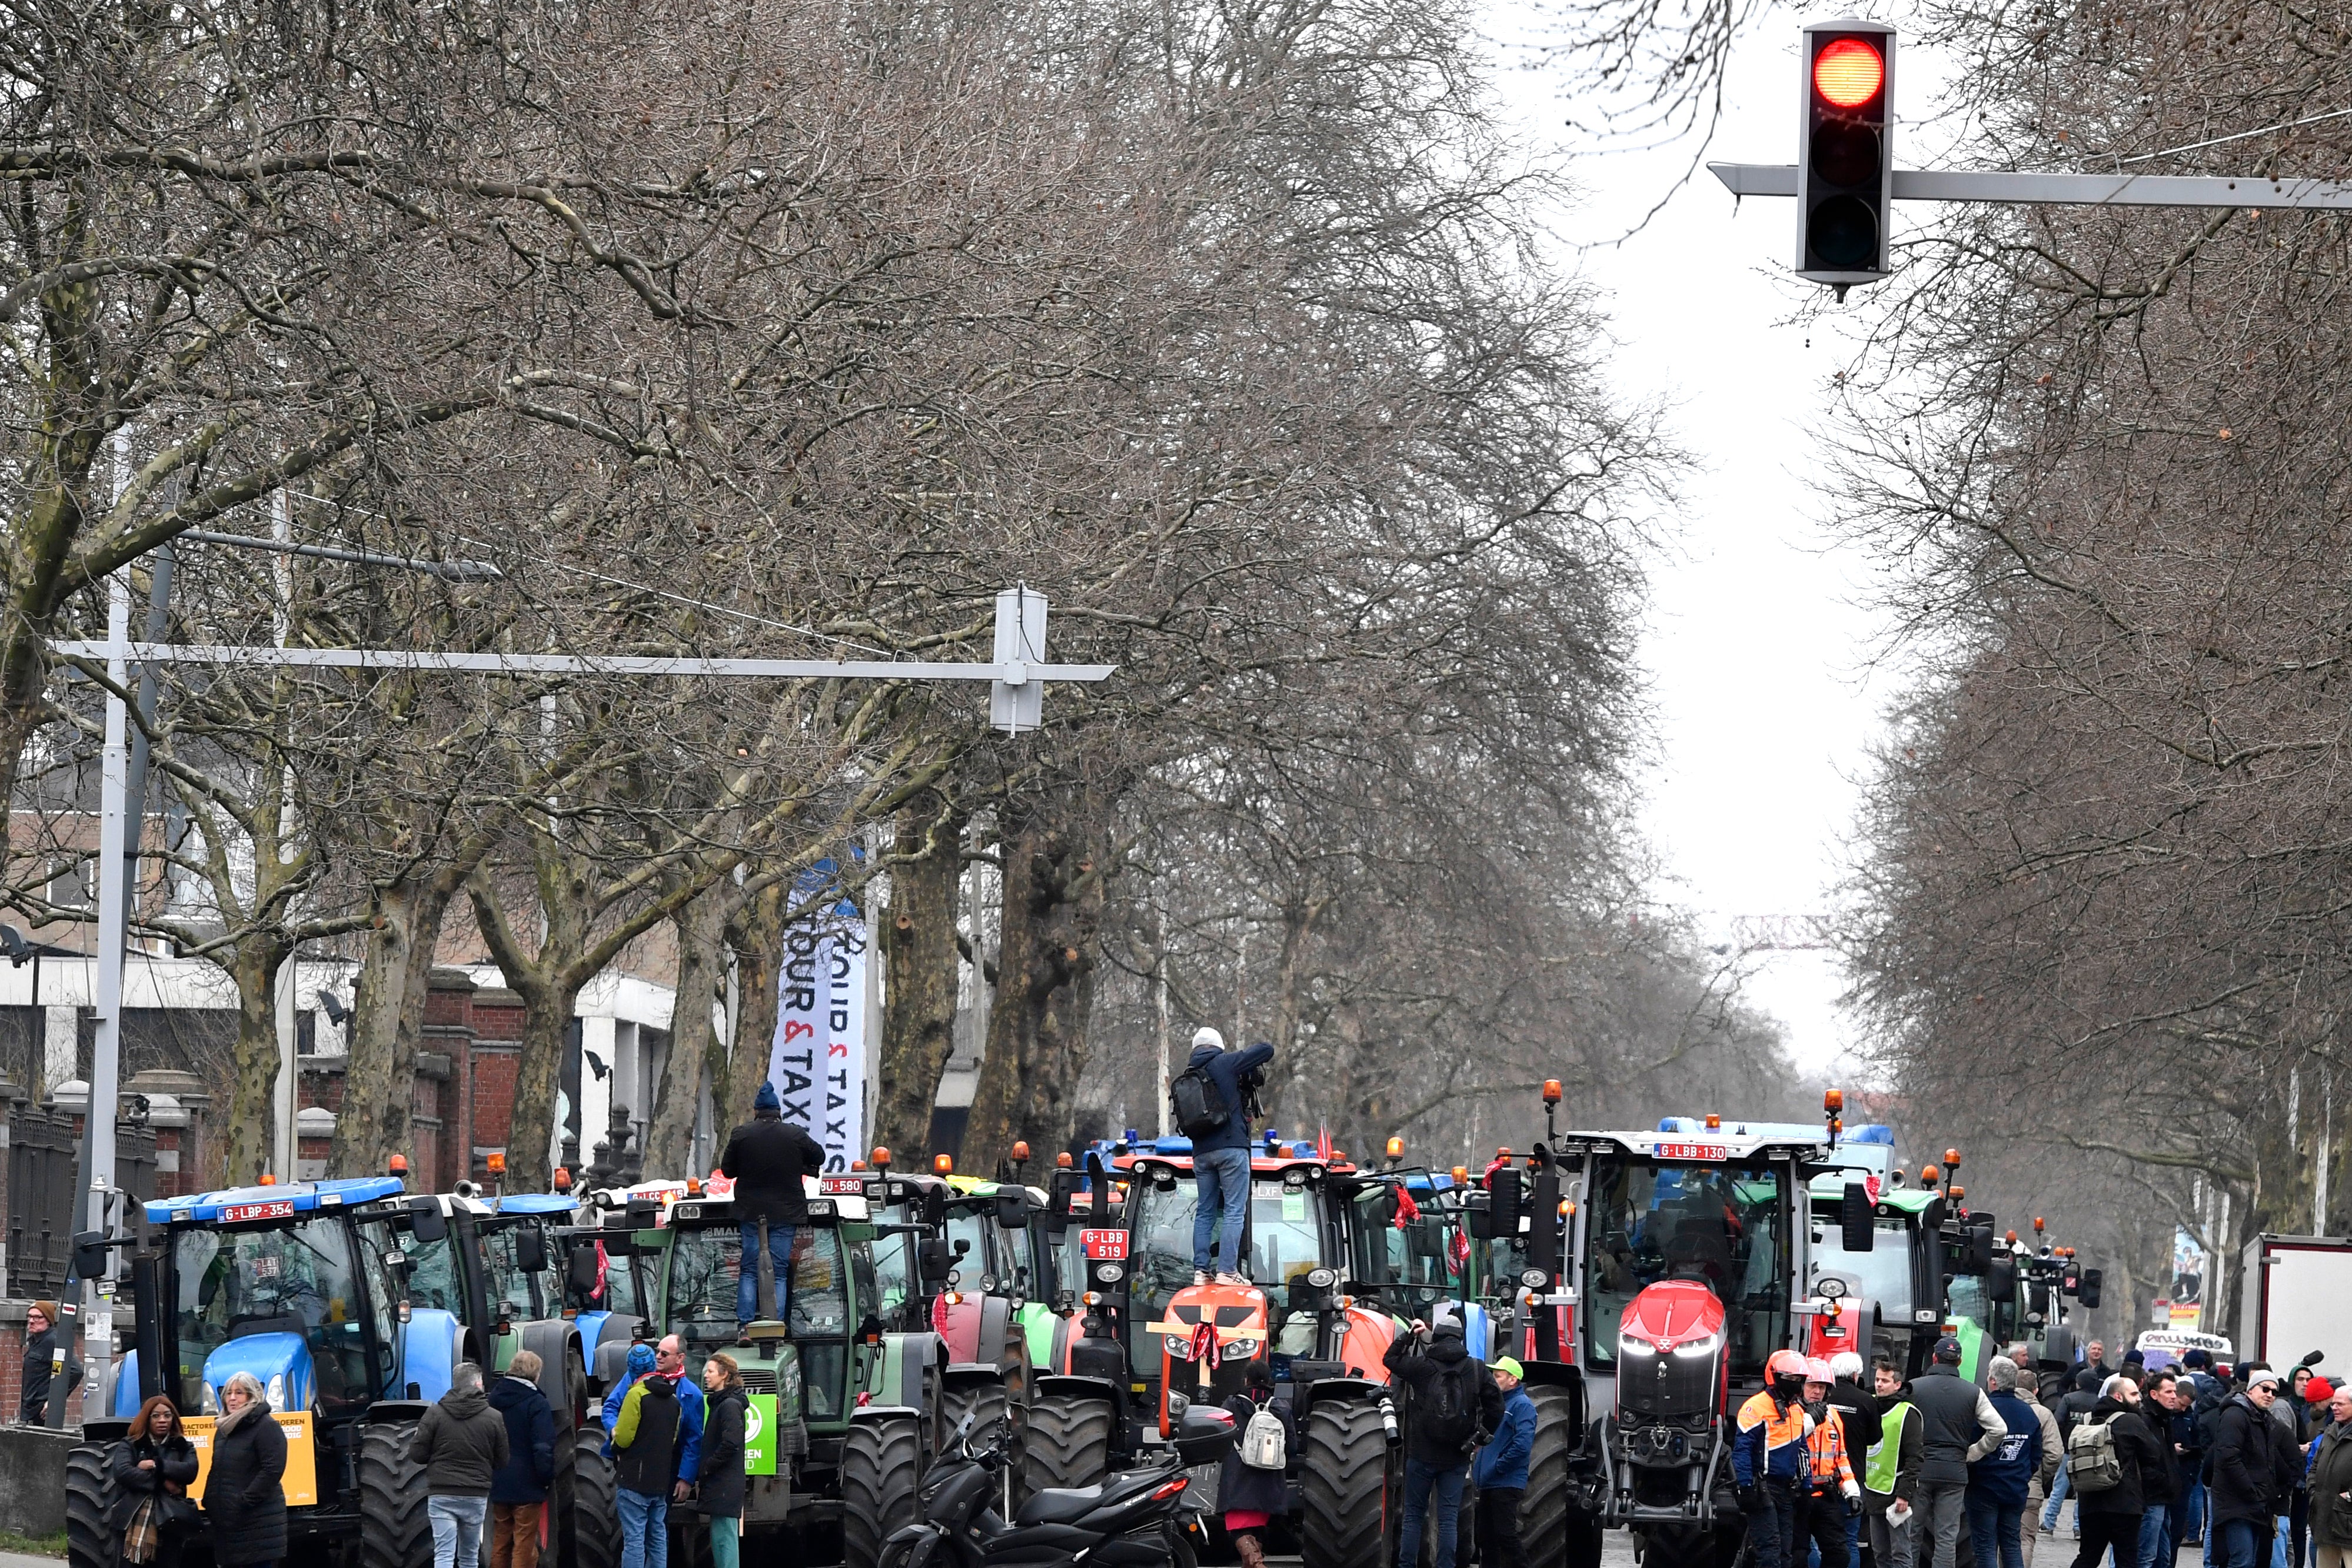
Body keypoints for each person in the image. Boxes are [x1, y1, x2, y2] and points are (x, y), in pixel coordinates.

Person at [1383, 1316, 1502, 1568]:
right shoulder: (1477, 1368)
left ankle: (1406, 1566)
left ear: (1435, 1337)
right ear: (1460, 1338)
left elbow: (1389, 1360)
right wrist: (1480, 1437)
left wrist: (1410, 1335)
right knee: (1448, 1518)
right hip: (1457, 1455)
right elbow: (1497, 1409)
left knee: (1413, 1515)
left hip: (1421, 1455)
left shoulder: (1422, 1367)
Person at [717, 1079, 824, 1324]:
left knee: (750, 1270)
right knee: (779, 1272)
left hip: (751, 1213)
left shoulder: (742, 1134)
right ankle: (774, 1326)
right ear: (779, 1113)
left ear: (756, 1112)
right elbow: (819, 1155)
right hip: (786, 1214)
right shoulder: (794, 1134)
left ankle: (745, 1326)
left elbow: (728, 1171)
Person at [1183, 1027, 1274, 1286]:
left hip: (1201, 1154)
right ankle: (1227, 1271)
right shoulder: (1225, 1062)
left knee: (1205, 1212)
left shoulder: (1189, 1074)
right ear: (1218, 1046)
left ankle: (1201, 1271)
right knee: (1235, 1211)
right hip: (1231, 1148)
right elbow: (1266, 1049)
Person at [1914, 1336, 2011, 1568]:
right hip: (1954, 1472)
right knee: (1947, 1536)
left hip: (1919, 1470)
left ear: (1934, 1358)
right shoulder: (1974, 1392)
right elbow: (1999, 1429)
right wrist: (1973, 1453)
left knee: (1911, 1531)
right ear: (1960, 1362)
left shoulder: (1914, 1387)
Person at [410, 1362, 510, 1568]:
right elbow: (502, 1461)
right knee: (469, 1557)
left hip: (442, 1494)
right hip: (475, 1495)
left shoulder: (435, 1414)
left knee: (444, 1554)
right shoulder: (494, 1417)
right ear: (478, 1383)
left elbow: (417, 1454)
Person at [2067, 1374, 2162, 1568]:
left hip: (2089, 1500)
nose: (2139, 1398)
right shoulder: (2131, 1421)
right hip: (2124, 1503)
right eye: (2134, 1394)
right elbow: (2154, 1454)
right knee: (2126, 1559)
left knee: (2087, 1557)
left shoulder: (2087, 1419)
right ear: (2118, 1397)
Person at [1738, 1350, 1819, 1568]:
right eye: (1791, 1379)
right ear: (1775, 1376)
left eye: (1799, 1380)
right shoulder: (1755, 1407)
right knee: (1770, 1552)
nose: (1796, 1384)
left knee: (1786, 1553)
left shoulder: (1796, 1411)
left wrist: (1806, 1487)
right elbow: (1742, 1450)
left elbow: (1802, 1449)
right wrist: (1745, 1487)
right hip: (1763, 1488)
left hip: (1786, 1490)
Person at [2212, 1370, 2301, 1568]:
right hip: (2237, 1503)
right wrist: (2253, 1491)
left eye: (2274, 1392)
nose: (2270, 1394)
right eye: (2265, 1389)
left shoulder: (2263, 1420)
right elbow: (2229, 1458)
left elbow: (2273, 1462)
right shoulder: (2235, 1415)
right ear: (2251, 1390)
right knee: (2241, 1561)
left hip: (2256, 1504)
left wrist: (2275, 1491)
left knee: (2251, 1561)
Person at [202, 1371, 287, 1568]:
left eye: (239, 1393)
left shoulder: (266, 1426)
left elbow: (272, 1470)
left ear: (252, 1396)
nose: (232, 1398)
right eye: (228, 1393)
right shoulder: (224, 1430)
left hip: (255, 1524)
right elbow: (218, 1471)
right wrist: (211, 1501)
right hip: (229, 1526)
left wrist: (244, 1501)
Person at [1970, 1359, 2045, 1568]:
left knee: (1985, 1547)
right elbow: (2037, 1453)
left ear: (1993, 1381)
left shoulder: (1984, 1410)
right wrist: (2022, 1475)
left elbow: (1971, 1444)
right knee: (2012, 1545)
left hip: (1984, 1488)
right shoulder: (2028, 1412)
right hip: (2016, 1489)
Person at [111, 1395, 198, 1568]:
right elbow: (123, 1473)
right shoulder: (131, 1445)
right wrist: (164, 1483)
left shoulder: (183, 1446)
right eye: (156, 1416)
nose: (162, 1420)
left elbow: (190, 1471)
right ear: (147, 1418)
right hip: (133, 1522)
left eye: (167, 1415)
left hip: (171, 1523)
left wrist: (156, 1465)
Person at [1221, 1364, 1294, 1568]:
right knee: (1257, 1531)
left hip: (1239, 1478)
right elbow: (1292, 1447)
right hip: (1270, 1481)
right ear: (1270, 1380)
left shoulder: (1232, 1404)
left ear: (1246, 1379)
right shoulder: (1281, 1406)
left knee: (1238, 1529)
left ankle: (1259, 1565)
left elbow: (1221, 1437)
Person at [488, 1351, 556, 1568]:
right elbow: (543, 1447)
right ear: (535, 1374)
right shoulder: (537, 1403)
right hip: (528, 1483)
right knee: (524, 1544)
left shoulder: (493, 1400)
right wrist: (546, 1477)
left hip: (498, 1480)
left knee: (501, 1541)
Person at [1798, 1359, 1861, 1568]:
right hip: (1796, 1496)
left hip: (1826, 1495)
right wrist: (1808, 1423)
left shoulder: (1833, 1416)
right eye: (1812, 1386)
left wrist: (1852, 1492)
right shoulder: (1789, 1413)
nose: (1817, 1391)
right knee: (1797, 1556)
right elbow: (1781, 1446)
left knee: (1839, 1554)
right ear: (1801, 1386)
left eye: (1822, 1387)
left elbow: (1841, 1458)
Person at [1474, 1358, 1536, 1568]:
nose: (1493, 1379)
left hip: (1505, 1482)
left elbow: (1522, 1445)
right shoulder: (1499, 1405)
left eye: (1498, 1376)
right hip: (1490, 1481)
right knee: (1485, 1537)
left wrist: (1498, 1467)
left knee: (1505, 1536)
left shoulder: (1522, 1406)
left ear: (1513, 1380)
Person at [698, 1354, 747, 1568]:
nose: (706, 1376)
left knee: (725, 1539)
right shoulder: (721, 1404)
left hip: (725, 1483)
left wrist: (708, 1466)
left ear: (724, 1374)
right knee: (720, 1538)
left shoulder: (729, 1405)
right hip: (722, 1484)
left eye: (710, 1371)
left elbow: (731, 1443)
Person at [2012, 1366, 2064, 1568]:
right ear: (2035, 1390)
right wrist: (2041, 1475)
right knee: (2025, 1540)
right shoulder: (2043, 1414)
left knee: (1999, 1539)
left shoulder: (1998, 1408)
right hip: (2030, 1488)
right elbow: (2055, 1453)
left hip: (1999, 1484)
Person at [2046, 1368, 2105, 1539]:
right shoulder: (2099, 1402)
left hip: (2069, 1448)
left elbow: (2058, 1421)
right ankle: (2079, 1527)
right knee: (2084, 1490)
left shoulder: (2069, 1399)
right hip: (2090, 1452)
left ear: (2078, 1382)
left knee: (2060, 1487)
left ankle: (2049, 1523)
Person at [2136, 1371, 2184, 1568]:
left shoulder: (2165, 1419)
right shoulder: (2146, 1419)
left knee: (2163, 1558)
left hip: (2165, 1497)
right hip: (2152, 1497)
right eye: (2169, 1392)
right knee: (2146, 1557)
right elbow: (2145, 1460)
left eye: (2175, 1391)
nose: (2174, 1396)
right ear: (2155, 1395)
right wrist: (2162, 1480)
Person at [2306, 1382, 2352, 1568]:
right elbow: (2315, 1466)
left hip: (2348, 1523)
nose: (2334, 1408)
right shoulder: (2331, 1431)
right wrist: (2313, 1492)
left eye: (2340, 1404)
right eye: (2333, 1404)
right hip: (2325, 1518)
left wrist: (2349, 1497)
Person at [18, 1299, 79, 1423]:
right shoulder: (35, 1340)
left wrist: (54, 1400)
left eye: (37, 1317)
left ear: (48, 1320)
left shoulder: (52, 1341)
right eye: (29, 1317)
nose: (31, 1321)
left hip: (42, 1410)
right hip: (31, 1407)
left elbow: (76, 1370)